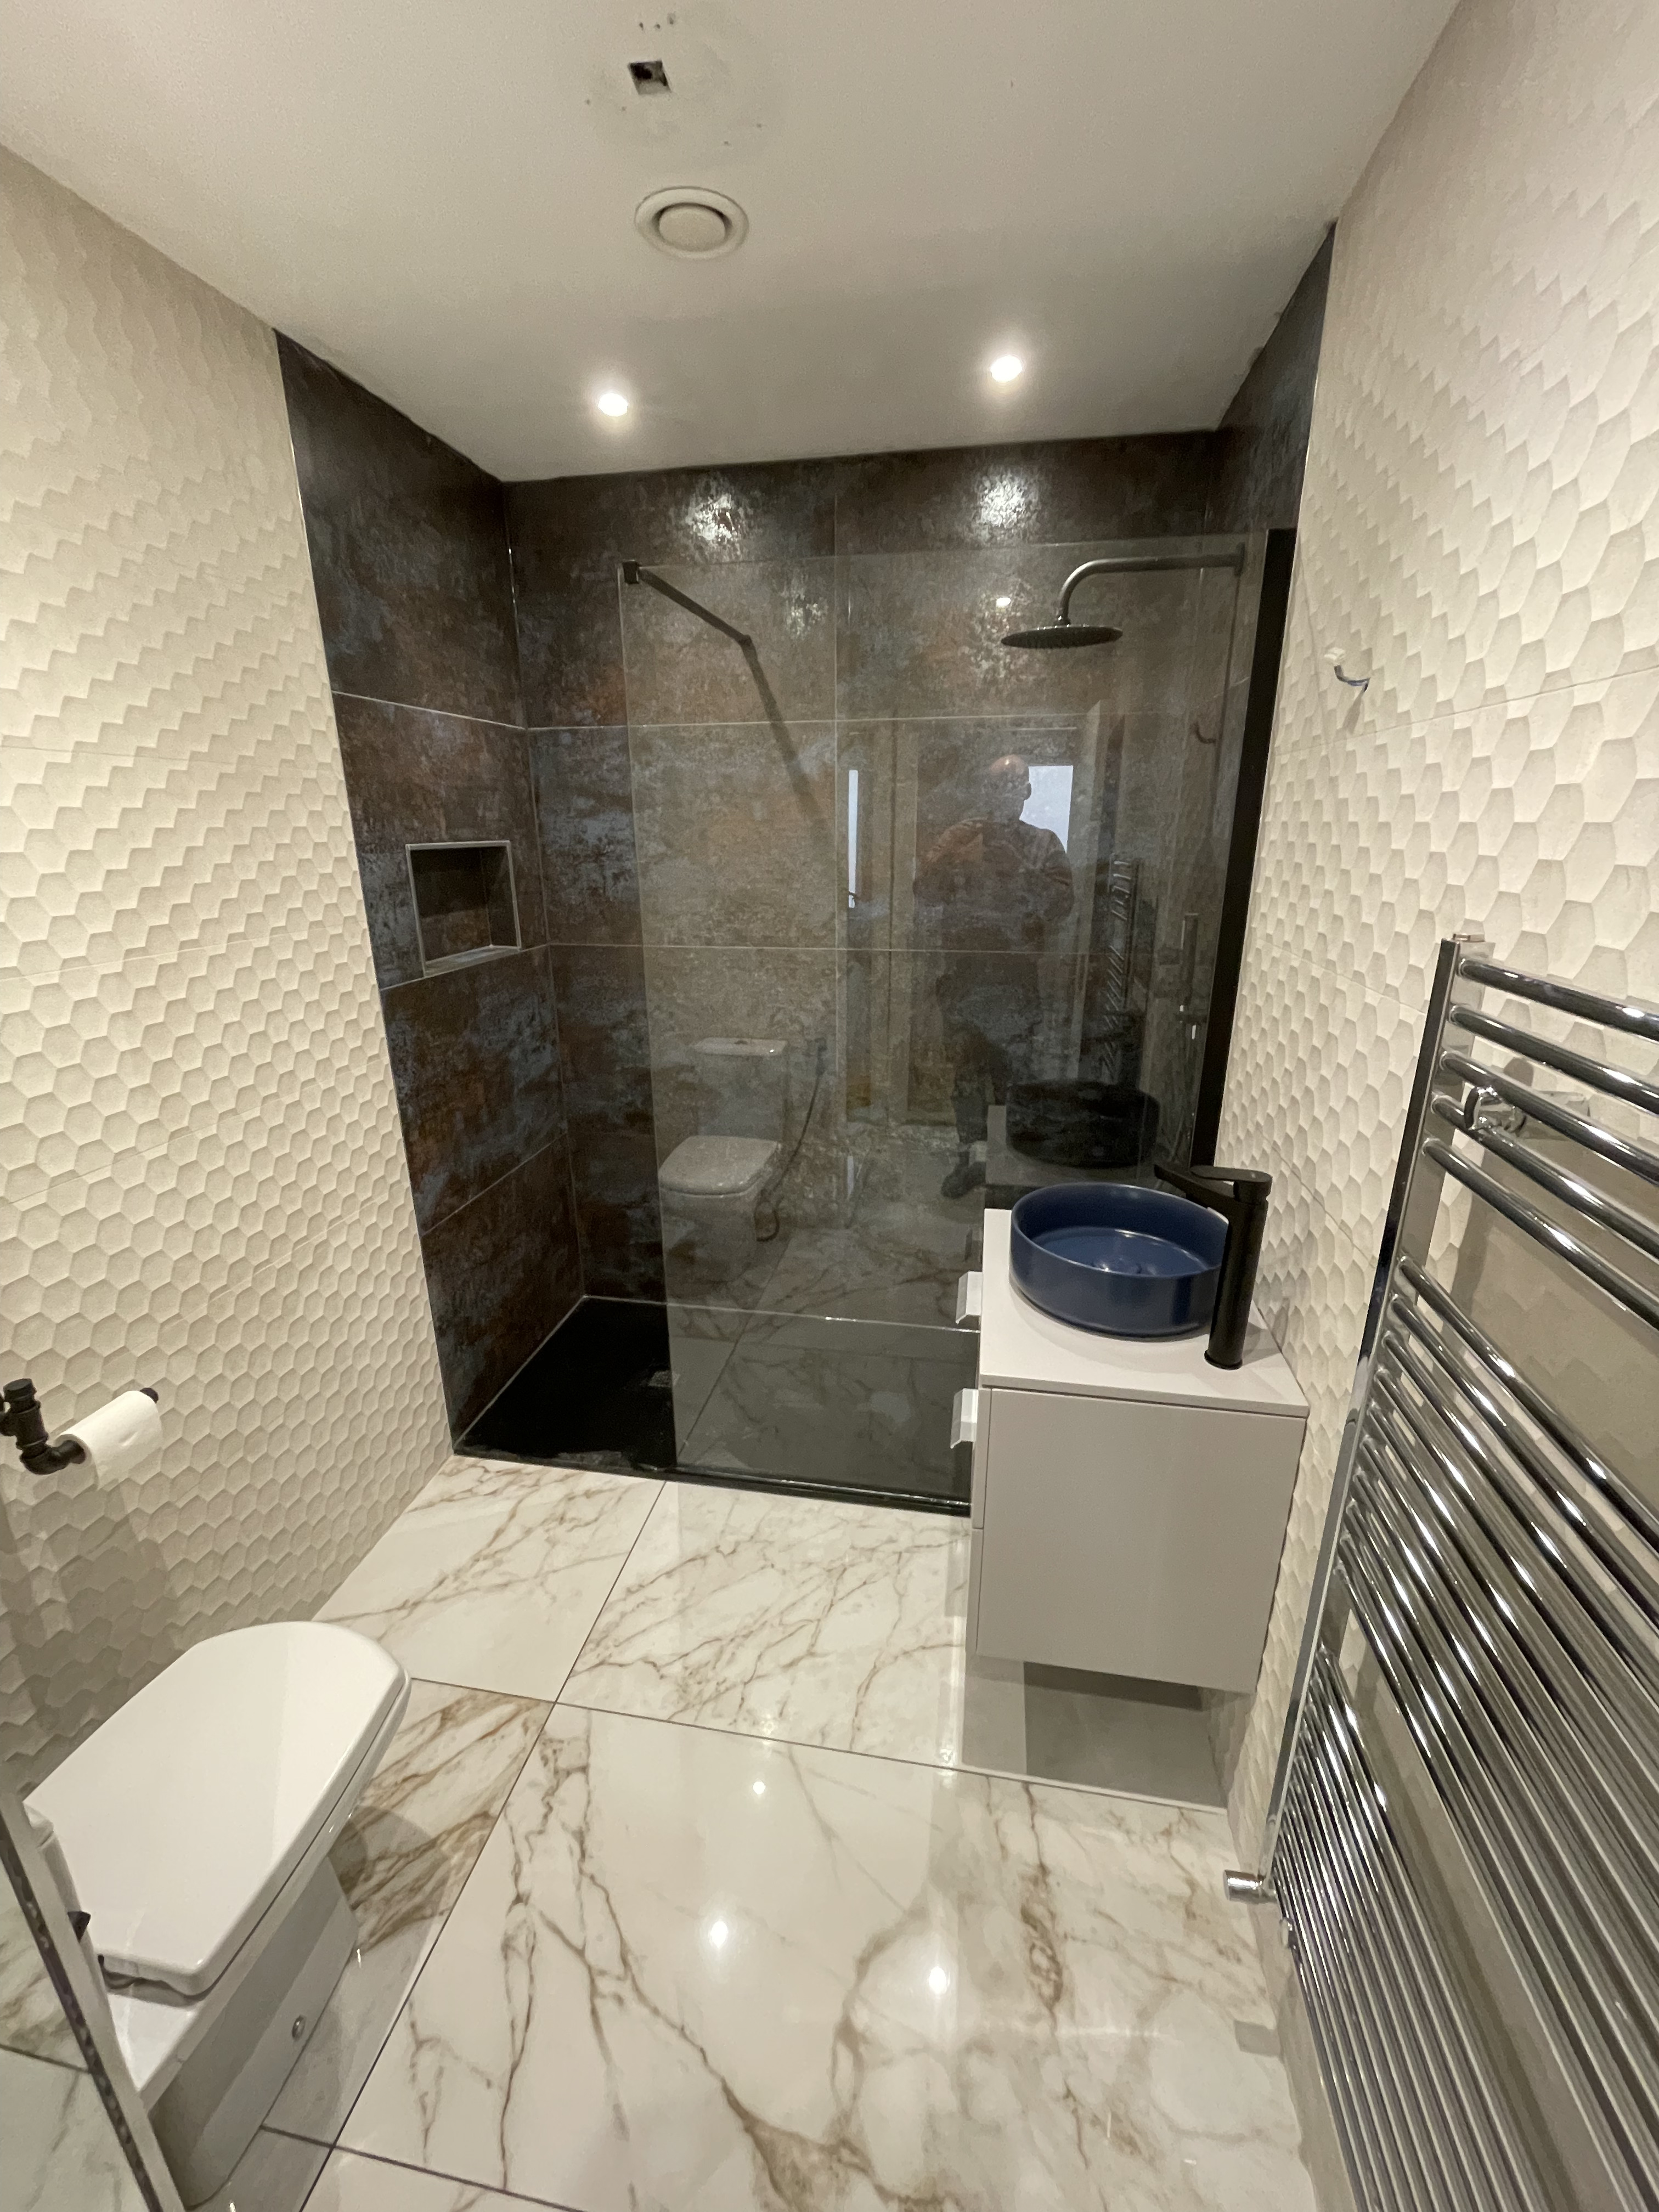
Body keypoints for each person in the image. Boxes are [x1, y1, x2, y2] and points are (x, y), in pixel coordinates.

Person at [915, 753, 1074, 1198]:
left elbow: (1061, 908)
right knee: (967, 1077)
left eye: (1014, 784)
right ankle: (970, 1160)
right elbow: (924, 896)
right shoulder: (960, 840)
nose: (1005, 793)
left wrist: (1019, 868)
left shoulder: (1044, 845)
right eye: (996, 786)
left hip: (1016, 985)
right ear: (984, 793)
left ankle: (1012, 1176)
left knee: (1015, 1080)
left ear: (1026, 791)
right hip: (965, 980)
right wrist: (943, 857)